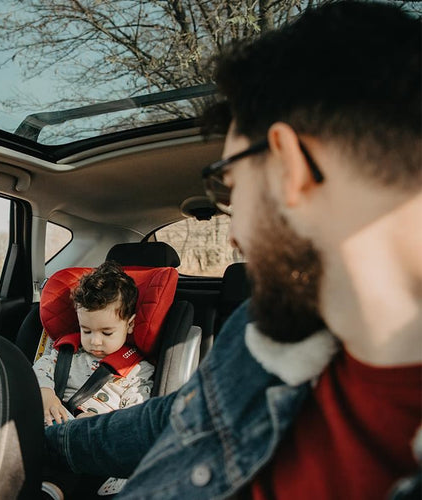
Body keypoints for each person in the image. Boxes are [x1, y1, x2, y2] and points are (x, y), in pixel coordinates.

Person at [44, 2, 421, 498]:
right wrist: (42, 443)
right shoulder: (270, 331)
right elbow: (176, 421)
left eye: (231, 188)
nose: (236, 233)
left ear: (291, 167)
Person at [34, 260, 154, 426]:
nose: (95, 341)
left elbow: (135, 417)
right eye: (86, 331)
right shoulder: (69, 353)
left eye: (106, 332)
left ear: (130, 324)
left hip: (94, 436)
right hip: (51, 424)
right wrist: (46, 394)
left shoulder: (137, 372)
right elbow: (40, 369)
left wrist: (99, 424)